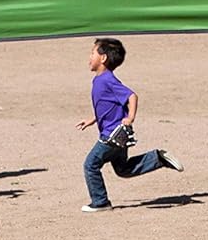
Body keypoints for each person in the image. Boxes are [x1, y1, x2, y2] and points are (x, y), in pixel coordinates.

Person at [75, 37, 183, 213]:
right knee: (123, 169)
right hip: (117, 136)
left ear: (103, 58)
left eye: (92, 53)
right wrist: (92, 119)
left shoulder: (107, 80)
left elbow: (131, 96)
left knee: (90, 164)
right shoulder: (100, 80)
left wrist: (130, 117)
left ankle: (100, 202)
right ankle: (157, 158)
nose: (89, 57)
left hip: (112, 134)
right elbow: (106, 106)